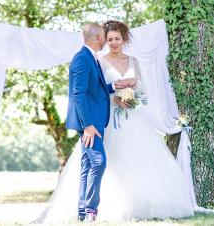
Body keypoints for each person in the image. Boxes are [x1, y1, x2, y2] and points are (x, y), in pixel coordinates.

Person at [37, 21, 193, 224]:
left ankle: (93, 209)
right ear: (101, 39)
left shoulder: (125, 60)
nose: (112, 42)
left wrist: (128, 91)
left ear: (124, 39)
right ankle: (89, 210)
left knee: (134, 161)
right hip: (106, 119)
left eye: (116, 38)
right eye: (108, 38)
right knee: (98, 162)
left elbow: (111, 88)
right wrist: (113, 102)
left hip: (132, 117)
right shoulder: (93, 60)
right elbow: (85, 93)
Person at [64, 23, 134, 222]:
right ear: (97, 38)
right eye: (104, 36)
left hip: (94, 120)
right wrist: (87, 125)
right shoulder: (81, 59)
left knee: (87, 164)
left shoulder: (90, 58)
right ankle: (91, 210)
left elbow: (95, 89)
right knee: (98, 161)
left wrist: (115, 85)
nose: (106, 39)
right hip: (89, 123)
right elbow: (79, 94)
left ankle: (82, 211)